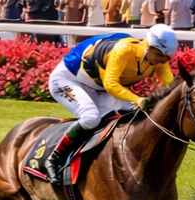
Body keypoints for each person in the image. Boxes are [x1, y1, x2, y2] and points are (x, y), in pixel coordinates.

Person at [43, 24, 178, 182]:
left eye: (167, 58)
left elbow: (171, 86)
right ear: (149, 47)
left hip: (97, 87)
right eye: (160, 55)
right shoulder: (124, 50)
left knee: (137, 115)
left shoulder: (158, 59)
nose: (163, 61)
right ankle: (55, 157)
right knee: (91, 118)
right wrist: (138, 99)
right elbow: (111, 84)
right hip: (67, 80)